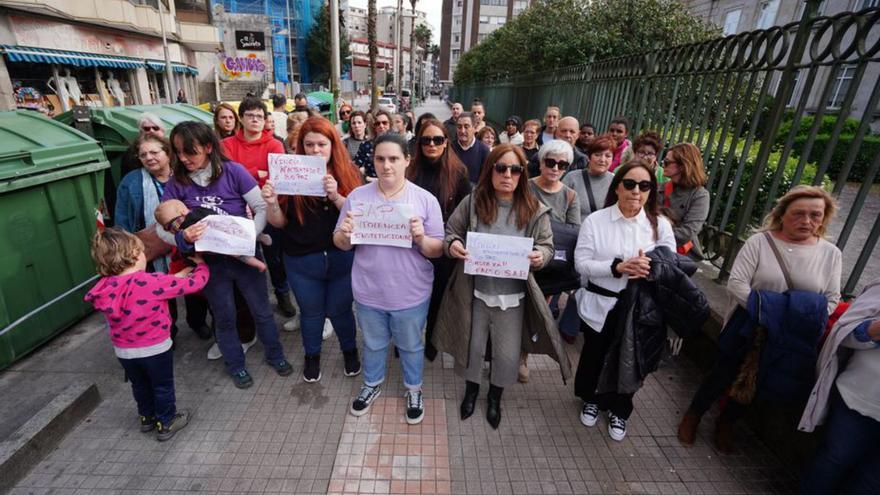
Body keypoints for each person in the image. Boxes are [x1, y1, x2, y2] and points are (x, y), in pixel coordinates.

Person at [677, 185, 842, 453]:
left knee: (758, 380)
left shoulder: (831, 254)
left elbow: (831, 299)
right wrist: (769, 312)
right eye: (799, 213)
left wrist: (792, 317)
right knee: (723, 372)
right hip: (749, 324)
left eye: (815, 215)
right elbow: (737, 283)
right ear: (782, 214)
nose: (807, 221)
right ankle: (694, 414)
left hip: (790, 332)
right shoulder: (760, 243)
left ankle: (726, 423)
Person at [433, 143, 572, 429]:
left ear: (522, 173)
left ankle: (495, 397)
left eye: (515, 169)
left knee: (507, 353)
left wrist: (540, 256)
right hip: (473, 292)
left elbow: (547, 245)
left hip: (513, 297)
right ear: (490, 169)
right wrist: (455, 245)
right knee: (472, 347)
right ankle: (471, 391)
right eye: (501, 167)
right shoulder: (473, 202)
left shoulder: (534, 209)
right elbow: (451, 232)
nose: (507, 174)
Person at [161, 121, 293, 389]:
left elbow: (260, 206)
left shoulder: (233, 171)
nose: (184, 159)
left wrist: (249, 236)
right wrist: (182, 238)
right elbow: (161, 227)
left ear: (209, 147)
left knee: (262, 310)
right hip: (210, 263)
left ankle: (275, 354)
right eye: (179, 152)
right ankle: (235, 365)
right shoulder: (177, 182)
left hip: (244, 254)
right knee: (224, 316)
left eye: (191, 152)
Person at [333, 133, 445, 425]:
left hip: (411, 292)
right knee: (373, 343)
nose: (386, 166)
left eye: (394, 159)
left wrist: (421, 238)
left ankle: (414, 388)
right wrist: (344, 233)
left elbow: (437, 249)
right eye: (380, 159)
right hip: (369, 291)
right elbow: (341, 243)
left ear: (407, 160)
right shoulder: (357, 198)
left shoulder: (424, 200)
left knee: (410, 345)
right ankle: (371, 384)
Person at [573, 160, 679, 442]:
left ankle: (620, 408)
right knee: (595, 354)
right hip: (602, 303)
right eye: (630, 184)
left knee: (632, 359)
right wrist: (617, 267)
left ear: (651, 191)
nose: (636, 191)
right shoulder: (596, 221)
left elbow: (671, 265)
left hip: (641, 308)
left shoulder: (660, 225)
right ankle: (592, 398)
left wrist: (649, 268)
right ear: (617, 186)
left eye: (644, 186)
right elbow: (581, 264)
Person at [262, 117, 364, 383]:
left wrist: (337, 196)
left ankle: (350, 351)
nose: (315, 150)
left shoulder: (349, 172)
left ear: (333, 145)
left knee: (341, 311)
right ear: (301, 147)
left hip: (342, 258)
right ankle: (312, 356)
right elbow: (279, 222)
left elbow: (363, 218)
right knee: (311, 312)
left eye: (322, 144)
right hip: (301, 260)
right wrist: (272, 203)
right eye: (309, 145)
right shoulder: (290, 173)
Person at [84, 227, 208, 441]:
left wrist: (179, 274)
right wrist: (202, 266)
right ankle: (167, 422)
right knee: (162, 386)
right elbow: (194, 284)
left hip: (124, 352)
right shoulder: (152, 282)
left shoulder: (103, 286)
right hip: (155, 349)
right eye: (142, 252)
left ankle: (147, 418)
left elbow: (148, 287)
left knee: (140, 385)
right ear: (133, 255)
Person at [115, 134, 212, 341]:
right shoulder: (131, 181)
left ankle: (197, 322)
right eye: (143, 155)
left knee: (194, 285)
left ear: (167, 154)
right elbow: (122, 218)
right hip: (151, 246)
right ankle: (168, 330)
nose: (149, 158)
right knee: (159, 288)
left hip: (188, 241)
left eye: (154, 152)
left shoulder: (186, 176)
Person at [799, 277, 880, 495]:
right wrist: (873, 330)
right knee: (833, 461)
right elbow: (844, 335)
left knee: (871, 484)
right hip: (858, 398)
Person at [221, 97, 296, 318]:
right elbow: (227, 179)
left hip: (270, 208)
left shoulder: (274, 145)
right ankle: (254, 302)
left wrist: (250, 177)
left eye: (260, 117)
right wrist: (258, 176)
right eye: (250, 115)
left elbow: (278, 179)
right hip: (237, 211)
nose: (255, 120)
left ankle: (282, 294)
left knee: (275, 256)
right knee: (245, 257)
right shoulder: (226, 146)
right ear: (241, 118)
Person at [405, 118, 472, 361]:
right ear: (419, 143)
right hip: (411, 247)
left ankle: (432, 340)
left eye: (437, 139)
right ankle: (406, 339)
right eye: (426, 140)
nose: (431, 144)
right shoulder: (409, 171)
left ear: (446, 143)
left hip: (444, 248)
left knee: (437, 297)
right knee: (410, 297)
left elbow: (467, 214)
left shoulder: (459, 173)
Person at [154, 199, 266, 272]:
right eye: (168, 227)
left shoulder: (184, 228)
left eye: (173, 223)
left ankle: (258, 264)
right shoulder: (197, 212)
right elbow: (210, 212)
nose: (173, 228)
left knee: (238, 253)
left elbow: (186, 250)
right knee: (241, 237)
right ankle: (258, 237)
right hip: (223, 233)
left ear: (182, 212)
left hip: (219, 242)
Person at [659, 143, 710, 257]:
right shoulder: (660, 188)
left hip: (681, 253)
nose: (663, 164)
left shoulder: (700, 196)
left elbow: (688, 232)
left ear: (682, 166)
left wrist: (656, 237)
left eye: (667, 162)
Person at [563, 134, 616, 220]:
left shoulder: (616, 182)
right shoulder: (572, 178)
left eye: (608, 156)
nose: (602, 160)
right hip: (574, 231)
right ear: (589, 157)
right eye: (597, 155)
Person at [450, 112, 490, 184]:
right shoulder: (449, 148)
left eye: (466, 127)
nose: (462, 131)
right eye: (459, 127)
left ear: (474, 128)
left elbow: (485, 179)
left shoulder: (484, 151)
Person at [354, 109, 392, 180]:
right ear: (374, 126)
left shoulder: (398, 145)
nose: (381, 126)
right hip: (370, 185)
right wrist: (365, 176)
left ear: (390, 124)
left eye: (384, 123)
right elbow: (355, 168)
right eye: (377, 123)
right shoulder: (365, 145)